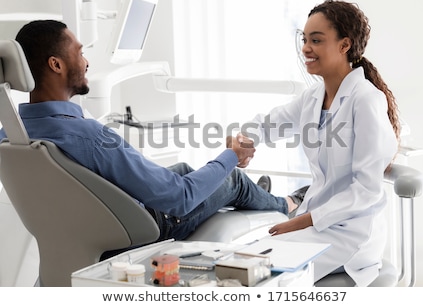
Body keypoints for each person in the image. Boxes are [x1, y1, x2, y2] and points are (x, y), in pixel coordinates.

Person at [0, 19, 302, 243]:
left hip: (87, 227)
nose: (87, 61)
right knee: (231, 178)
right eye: (79, 53)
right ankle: (287, 204)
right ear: (56, 64)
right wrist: (231, 156)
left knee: (184, 167)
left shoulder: (11, 137)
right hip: (144, 226)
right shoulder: (89, 136)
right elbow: (179, 198)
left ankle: (256, 194)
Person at [242, 0, 400, 287]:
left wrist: (302, 221)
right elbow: (268, 124)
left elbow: (365, 189)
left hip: (352, 231)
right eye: (305, 39)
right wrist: (243, 139)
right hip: (315, 223)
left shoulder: (365, 100)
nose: (306, 48)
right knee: (245, 263)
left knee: (267, 278)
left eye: (316, 40)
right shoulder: (313, 97)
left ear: (344, 45)